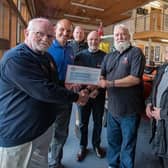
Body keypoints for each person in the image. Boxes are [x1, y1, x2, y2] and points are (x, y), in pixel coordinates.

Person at [0, 18, 88, 168]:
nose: (45, 39)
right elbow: (44, 90)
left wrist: (69, 85)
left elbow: (52, 84)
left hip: (42, 128)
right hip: (20, 133)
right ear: (26, 33)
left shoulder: (46, 57)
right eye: (40, 34)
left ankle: (55, 162)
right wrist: (76, 97)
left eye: (49, 36)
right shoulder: (16, 59)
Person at [99, 24, 145, 168]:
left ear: (129, 36)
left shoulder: (136, 53)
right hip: (112, 108)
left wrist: (110, 83)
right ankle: (113, 164)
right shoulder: (109, 56)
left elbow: (135, 78)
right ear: (114, 37)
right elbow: (102, 73)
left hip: (130, 110)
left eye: (123, 34)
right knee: (113, 141)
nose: (120, 37)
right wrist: (98, 81)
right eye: (117, 35)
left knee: (128, 143)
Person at [47, 19, 78, 168]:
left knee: (61, 132)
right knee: (46, 131)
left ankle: (55, 162)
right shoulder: (46, 48)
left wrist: (75, 82)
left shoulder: (71, 50)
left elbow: (72, 72)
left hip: (66, 97)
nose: (65, 33)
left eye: (68, 31)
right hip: (48, 98)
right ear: (55, 29)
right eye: (62, 29)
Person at [75, 31, 106, 161]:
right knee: (83, 123)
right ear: (87, 41)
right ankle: (82, 146)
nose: (93, 42)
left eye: (96, 39)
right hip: (83, 96)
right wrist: (83, 91)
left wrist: (97, 90)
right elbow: (75, 76)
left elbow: (106, 76)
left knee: (98, 122)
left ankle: (96, 145)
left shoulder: (105, 57)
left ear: (99, 41)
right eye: (91, 39)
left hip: (98, 96)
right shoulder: (79, 56)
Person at [146, 46, 168, 168]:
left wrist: (163, 113)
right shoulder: (162, 69)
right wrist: (149, 103)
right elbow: (153, 92)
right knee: (160, 157)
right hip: (159, 127)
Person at [69, 25, 88, 138]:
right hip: (70, 80)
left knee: (79, 103)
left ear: (83, 34)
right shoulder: (68, 46)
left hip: (82, 79)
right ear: (73, 33)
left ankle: (77, 124)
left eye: (81, 32)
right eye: (76, 32)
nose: (79, 34)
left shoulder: (87, 46)